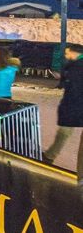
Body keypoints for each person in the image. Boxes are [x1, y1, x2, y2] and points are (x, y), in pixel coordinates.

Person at [43, 44, 83, 190]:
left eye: (67, 53)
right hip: (75, 107)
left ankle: (50, 156)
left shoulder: (77, 67)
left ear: (74, 52)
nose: (65, 55)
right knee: (65, 132)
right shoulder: (74, 66)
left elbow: (74, 89)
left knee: (65, 132)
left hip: (74, 107)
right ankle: (50, 155)